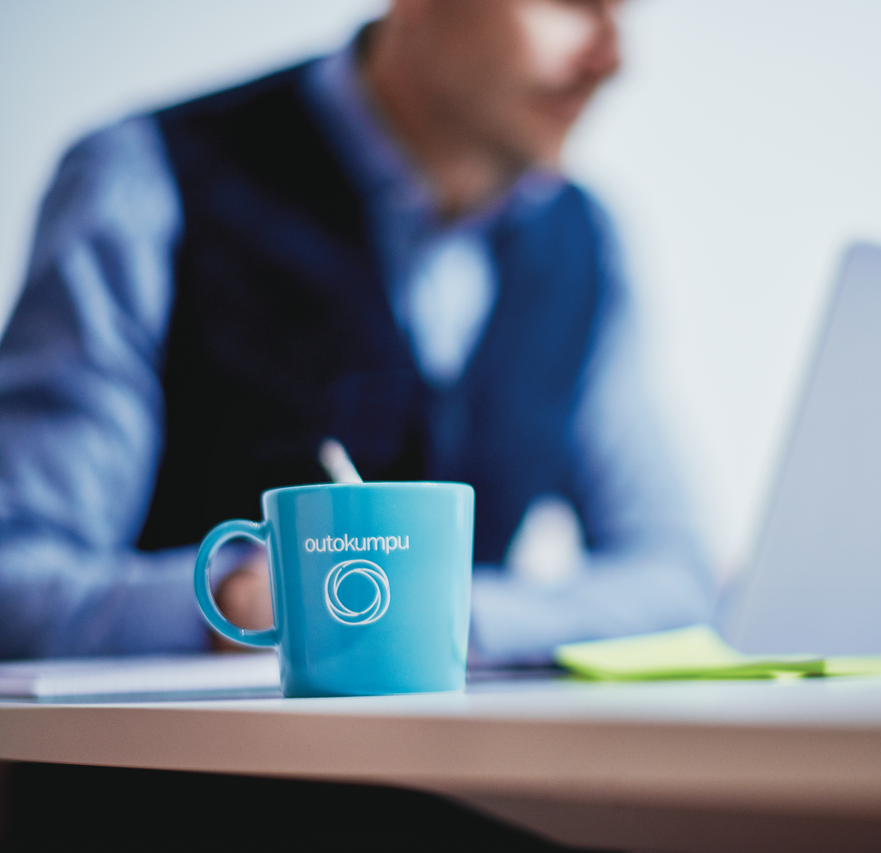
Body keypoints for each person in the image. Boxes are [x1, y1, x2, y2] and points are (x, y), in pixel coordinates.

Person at [0, 0, 714, 663]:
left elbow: (673, 576)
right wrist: (231, 602)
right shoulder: (142, 180)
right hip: (186, 759)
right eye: (571, 2)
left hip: (476, 758)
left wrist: (444, 617)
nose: (612, 58)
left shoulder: (585, 240)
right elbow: (16, 579)